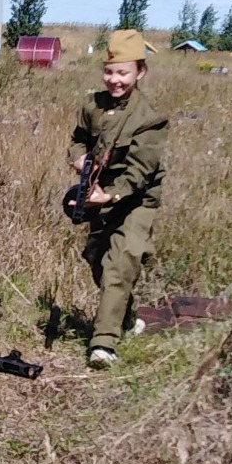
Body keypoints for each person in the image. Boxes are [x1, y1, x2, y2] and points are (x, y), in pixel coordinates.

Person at [66, 29, 167, 368]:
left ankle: (104, 345)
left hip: (136, 201)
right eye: (109, 72)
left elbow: (140, 172)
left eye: (123, 73)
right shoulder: (92, 105)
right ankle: (126, 316)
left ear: (140, 73)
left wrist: (107, 194)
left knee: (120, 263)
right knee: (97, 259)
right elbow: (78, 140)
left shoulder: (149, 118)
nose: (114, 80)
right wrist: (79, 159)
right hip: (98, 198)